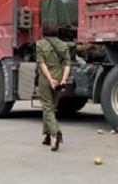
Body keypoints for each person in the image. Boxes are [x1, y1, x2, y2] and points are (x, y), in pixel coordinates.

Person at [36, 19, 71, 152]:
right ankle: (47, 136)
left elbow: (42, 64)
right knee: (51, 107)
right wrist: (63, 80)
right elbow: (67, 64)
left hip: (46, 78)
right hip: (59, 76)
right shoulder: (63, 45)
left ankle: (55, 133)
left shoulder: (40, 44)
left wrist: (50, 79)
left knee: (47, 107)